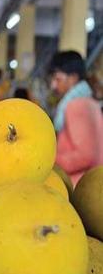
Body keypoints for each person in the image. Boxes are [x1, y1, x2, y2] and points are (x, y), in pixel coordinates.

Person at [48, 50, 103, 185]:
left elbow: (86, 155)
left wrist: (50, 161)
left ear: (73, 78)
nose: (53, 85)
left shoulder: (76, 106)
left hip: (79, 185)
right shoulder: (90, 102)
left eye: (58, 79)